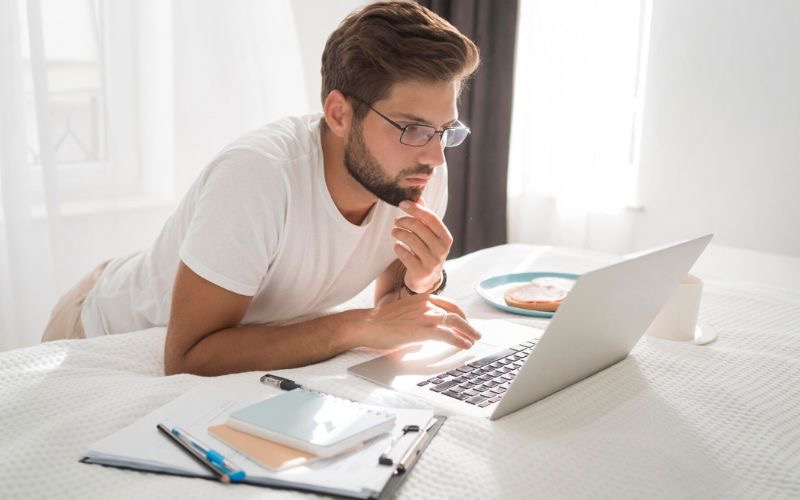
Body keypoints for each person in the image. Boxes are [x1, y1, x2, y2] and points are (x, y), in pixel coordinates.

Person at [41, 1, 482, 376]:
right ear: (339, 114)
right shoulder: (258, 177)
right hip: (101, 329)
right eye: (411, 128)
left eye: (445, 130)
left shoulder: (416, 168)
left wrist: (424, 280)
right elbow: (187, 355)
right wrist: (355, 326)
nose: (436, 156)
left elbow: (391, 308)